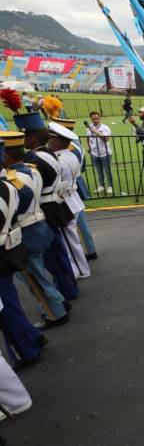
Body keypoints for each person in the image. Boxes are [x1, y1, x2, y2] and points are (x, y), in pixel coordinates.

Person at [0, 131, 69, 329]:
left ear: (7, 155)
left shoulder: (13, 179)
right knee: (40, 271)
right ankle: (58, 301)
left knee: (33, 276)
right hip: (39, 226)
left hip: (27, 230)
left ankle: (55, 312)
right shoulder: (31, 169)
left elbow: (20, 202)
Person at [14, 112, 79, 301]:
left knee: (52, 255)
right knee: (58, 253)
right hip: (53, 206)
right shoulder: (46, 152)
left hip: (44, 209)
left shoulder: (32, 159)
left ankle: (64, 290)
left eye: (23, 134)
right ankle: (68, 287)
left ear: (32, 137)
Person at [0, 153, 46, 369]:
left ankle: (26, 349)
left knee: (6, 310)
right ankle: (31, 337)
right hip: (8, 248)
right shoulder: (9, 184)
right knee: (10, 303)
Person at [48, 122, 91, 280]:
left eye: (51, 139)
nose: (49, 142)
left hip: (66, 202)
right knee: (72, 240)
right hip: (74, 200)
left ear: (58, 141)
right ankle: (78, 268)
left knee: (70, 241)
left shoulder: (59, 160)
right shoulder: (71, 154)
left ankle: (79, 270)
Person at [86, 111, 113, 195]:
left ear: (100, 118)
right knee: (98, 170)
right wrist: (88, 147)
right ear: (91, 119)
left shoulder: (105, 128)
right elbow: (87, 138)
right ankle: (101, 185)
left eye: (97, 118)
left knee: (107, 170)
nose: (95, 120)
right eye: (93, 119)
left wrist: (95, 132)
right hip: (95, 153)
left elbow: (106, 139)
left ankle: (110, 186)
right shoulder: (88, 128)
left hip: (105, 153)